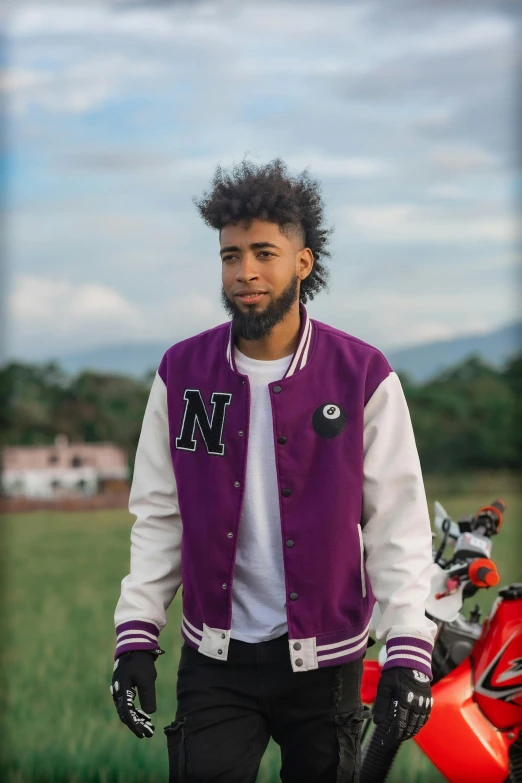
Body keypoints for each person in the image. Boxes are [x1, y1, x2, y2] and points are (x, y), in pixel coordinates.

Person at [110, 158, 436, 782]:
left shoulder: (363, 375)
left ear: (303, 263)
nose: (246, 272)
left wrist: (406, 650)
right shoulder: (180, 373)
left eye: (264, 252)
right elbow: (158, 516)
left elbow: (397, 523)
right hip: (215, 659)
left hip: (327, 662)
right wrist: (136, 636)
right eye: (231, 256)